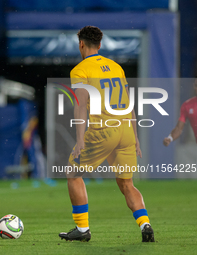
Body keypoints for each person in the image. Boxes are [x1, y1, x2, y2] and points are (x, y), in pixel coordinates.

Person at [59, 26, 155, 242]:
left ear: (81, 44)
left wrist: (80, 139)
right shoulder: (116, 67)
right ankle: (145, 224)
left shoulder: (80, 70)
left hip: (103, 131)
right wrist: (136, 136)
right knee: (127, 183)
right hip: (125, 132)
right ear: (100, 45)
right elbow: (128, 104)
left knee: (72, 174)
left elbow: (81, 106)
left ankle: (82, 230)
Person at [163, 79, 197, 146]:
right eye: (196, 85)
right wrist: (170, 138)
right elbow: (179, 128)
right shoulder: (187, 105)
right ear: (194, 87)